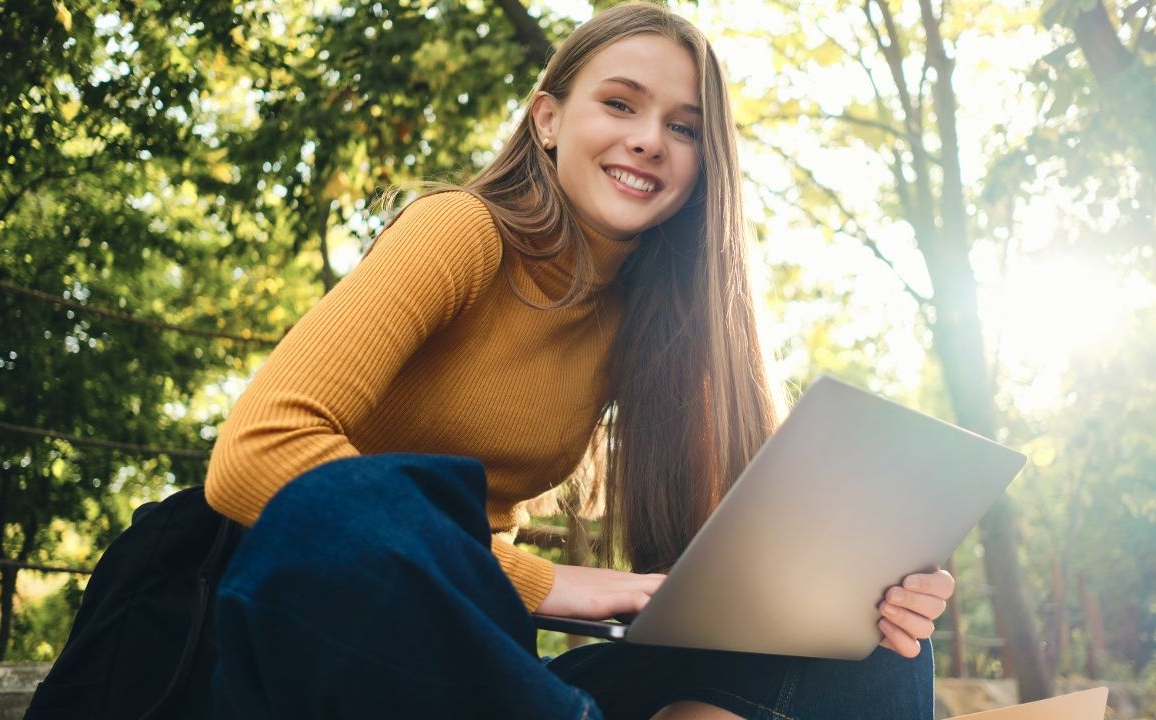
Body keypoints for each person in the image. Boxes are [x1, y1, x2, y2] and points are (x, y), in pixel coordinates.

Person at [204, 3, 955, 718]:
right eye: (621, 105)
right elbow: (254, 456)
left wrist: (866, 590)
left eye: (685, 128)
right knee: (364, 498)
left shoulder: (649, 322)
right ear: (548, 120)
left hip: (477, 659)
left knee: (878, 650)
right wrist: (539, 582)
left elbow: (727, 583)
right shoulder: (461, 231)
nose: (650, 140)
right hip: (301, 627)